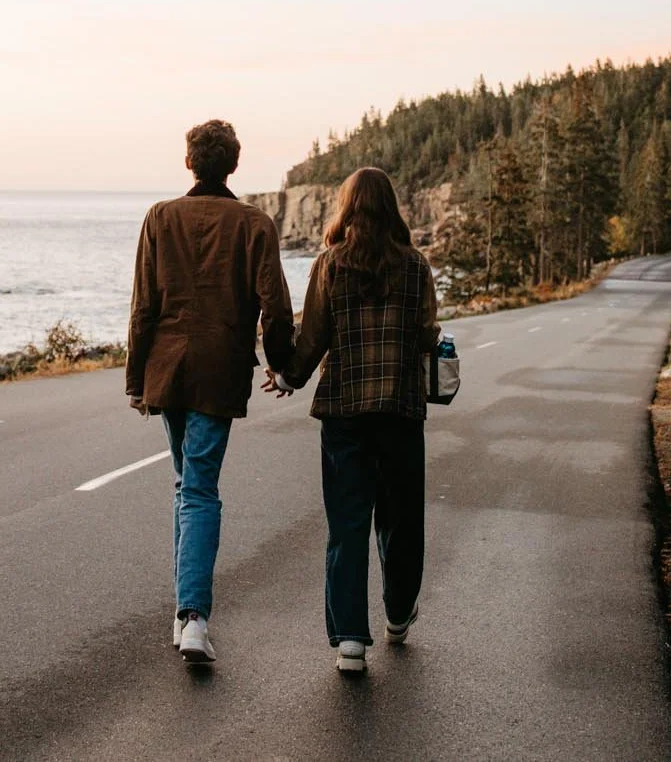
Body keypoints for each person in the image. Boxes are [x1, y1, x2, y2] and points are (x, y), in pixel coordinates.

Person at [126, 119, 294, 666]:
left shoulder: (159, 218)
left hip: (167, 370)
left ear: (189, 162)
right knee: (197, 487)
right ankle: (194, 617)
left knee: (188, 483)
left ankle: (185, 615)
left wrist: (135, 380)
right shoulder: (254, 224)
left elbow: (143, 306)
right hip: (219, 371)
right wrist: (284, 367)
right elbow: (276, 306)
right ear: (234, 165)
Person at [264, 166, 439, 675]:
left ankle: (350, 644)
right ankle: (399, 614)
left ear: (346, 208)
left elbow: (313, 335)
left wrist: (289, 377)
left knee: (347, 525)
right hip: (402, 412)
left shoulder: (330, 265)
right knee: (402, 521)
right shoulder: (416, 265)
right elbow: (427, 335)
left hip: (344, 413)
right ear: (390, 207)